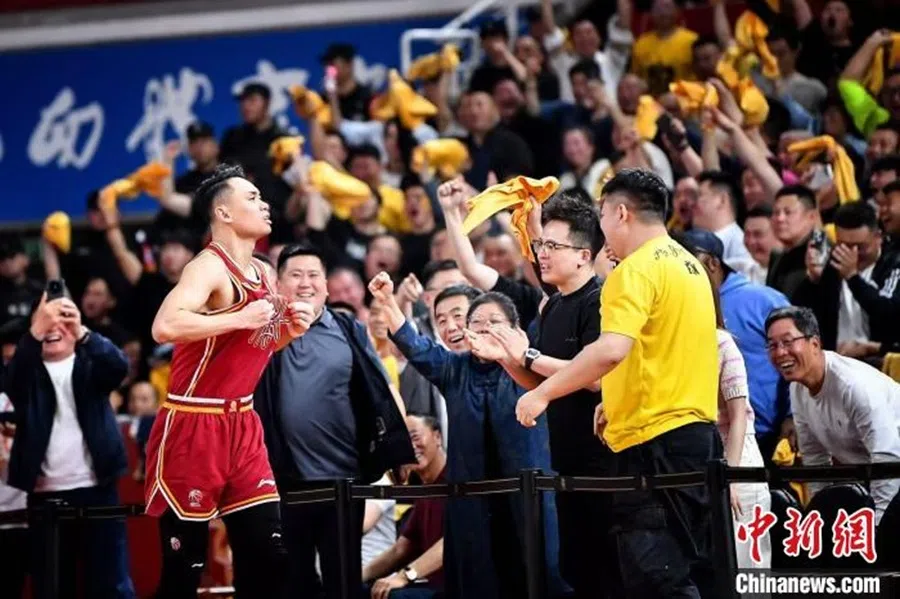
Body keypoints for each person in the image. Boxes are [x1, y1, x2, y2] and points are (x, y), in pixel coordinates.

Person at [515, 169, 721, 597]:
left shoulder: (633, 271)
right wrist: (617, 399)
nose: (603, 229)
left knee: (655, 578)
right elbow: (665, 348)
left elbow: (610, 350)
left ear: (621, 212)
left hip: (654, 443)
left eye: (604, 215)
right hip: (694, 435)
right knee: (678, 570)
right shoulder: (688, 264)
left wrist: (542, 392)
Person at [144, 164, 316, 598]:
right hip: (192, 424)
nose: (265, 205)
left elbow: (255, 342)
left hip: (242, 423)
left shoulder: (262, 270)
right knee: (187, 569)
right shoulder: (207, 267)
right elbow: (164, 326)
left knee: (270, 557)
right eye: (253, 198)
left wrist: (288, 332)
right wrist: (239, 315)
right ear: (223, 212)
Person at [370, 275, 564, 598]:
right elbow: (413, 344)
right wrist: (389, 301)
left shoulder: (532, 367)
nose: (484, 327)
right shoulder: (452, 368)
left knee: (538, 578)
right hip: (471, 506)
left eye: (494, 321)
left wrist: (511, 356)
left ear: (517, 331)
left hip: (531, 502)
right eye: (476, 321)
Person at [253, 243, 414, 599]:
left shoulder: (348, 328)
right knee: (294, 582)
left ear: (326, 285)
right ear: (278, 284)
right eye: (295, 275)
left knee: (343, 580)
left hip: (344, 480)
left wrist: (397, 452)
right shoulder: (263, 332)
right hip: (284, 480)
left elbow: (379, 391)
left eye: (313, 275)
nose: (305, 283)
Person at [5, 292, 135, 598]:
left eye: (61, 317)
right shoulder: (25, 369)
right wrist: (36, 331)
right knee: (52, 586)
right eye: (45, 318)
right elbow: (11, 384)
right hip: (44, 495)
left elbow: (119, 367)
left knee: (110, 585)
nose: (53, 326)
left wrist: (83, 333)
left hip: (98, 490)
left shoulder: (92, 361)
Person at [765, 306, 900, 524]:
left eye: (788, 342)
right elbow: (816, 461)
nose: (780, 352)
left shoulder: (854, 385)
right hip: (872, 476)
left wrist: (878, 525)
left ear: (815, 343)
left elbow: (887, 459)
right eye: (772, 345)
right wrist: (820, 520)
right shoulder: (797, 388)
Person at [680, 229, 792, 468]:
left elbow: (796, 354)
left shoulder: (764, 300)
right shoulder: (678, 306)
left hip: (763, 433)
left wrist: (793, 415)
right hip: (704, 441)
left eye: (689, 261)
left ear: (712, 262)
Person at [796, 202, 900, 359]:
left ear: (878, 237)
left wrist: (852, 277)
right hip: (837, 363)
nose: (852, 253)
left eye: (860, 246)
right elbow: (804, 317)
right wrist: (813, 280)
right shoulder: (831, 266)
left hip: (880, 364)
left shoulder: (894, 264)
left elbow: (890, 313)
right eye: (844, 245)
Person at [363, 414, 447, 599]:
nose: (410, 447)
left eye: (415, 437)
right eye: (404, 442)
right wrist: (359, 575)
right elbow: (400, 549)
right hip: (429, 586)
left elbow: (453, 540)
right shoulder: (425, 490)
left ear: (437, 437)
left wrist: (406, 575)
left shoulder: (455, 479)